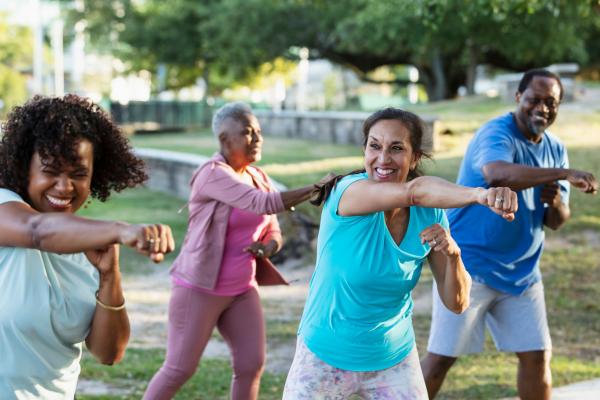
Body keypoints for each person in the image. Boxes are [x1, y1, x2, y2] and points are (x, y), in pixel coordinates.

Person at [282, 107, 519, 400]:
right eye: (374, 146)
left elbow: (457, 304)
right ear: (364, 149)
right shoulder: (348, 192)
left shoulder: (430, 212)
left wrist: (453, 255)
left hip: (392, 356)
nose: (383, 159)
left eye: (397, 148)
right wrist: (480, 195)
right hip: (325, 352)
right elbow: (413, 192)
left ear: (415, 156)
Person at [421, 69, 598, 400]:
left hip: (522, 273)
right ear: (518, 98)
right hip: (468, 266)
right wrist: (563, 173)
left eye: (551, 102)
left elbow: (556, 221)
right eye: (534, 99)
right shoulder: (495, 132)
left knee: (536, 357)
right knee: (440, 361)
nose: (542, 108)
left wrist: (557, 201)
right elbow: (496, 173)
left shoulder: (555, 147)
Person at [143, 102, 333, 400]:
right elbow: (262, 204)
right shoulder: (212, 173)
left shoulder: (258, 176)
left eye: (258, 131)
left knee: (250, 365)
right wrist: (315, 189)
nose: (257, 138)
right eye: (247, 132)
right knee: (179, 369)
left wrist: (268, 246)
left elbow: (273, 227)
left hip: (242, 289)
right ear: (224, 139)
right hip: (199, 288)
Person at [0, 95, 176, 400]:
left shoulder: (87, 245)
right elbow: (37, 231)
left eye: (79, 174)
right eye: (51, 171)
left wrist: (109, 276)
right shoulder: (4, 208)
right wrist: (122, 230)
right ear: (22, 167)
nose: (65, 186)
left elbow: (109, 353)